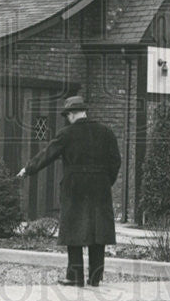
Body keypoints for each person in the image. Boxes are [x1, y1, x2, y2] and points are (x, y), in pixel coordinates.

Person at [17, 96, 121, 287]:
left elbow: (47, 154)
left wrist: (28, 169)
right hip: (100, 188)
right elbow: (116, 161)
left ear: (73, 114)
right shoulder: (106, 133)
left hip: (75, 188)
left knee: (74, 230)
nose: (68, 118)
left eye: (68, 115)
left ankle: (75, 276)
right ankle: (95, 277)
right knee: (98, 232)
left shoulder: (67, 134)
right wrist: (107, 181)